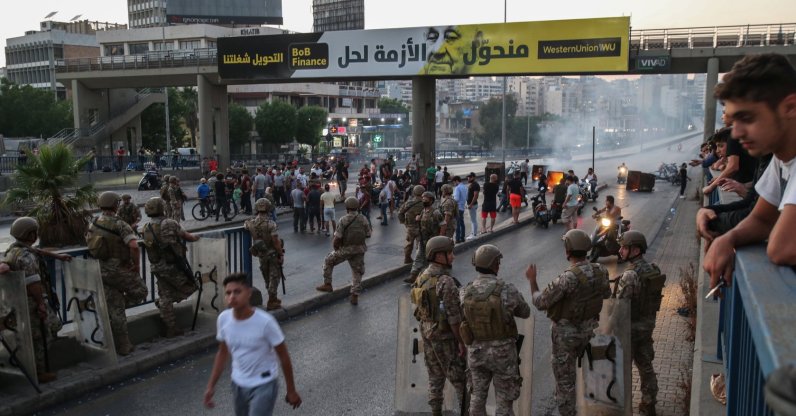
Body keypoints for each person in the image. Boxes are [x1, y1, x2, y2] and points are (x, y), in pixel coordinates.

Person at [704, 53, 796, 288]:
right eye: (734, 121)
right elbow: (762, 218)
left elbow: (781, 249)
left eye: (748, 118)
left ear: (790, 107)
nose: (736, 133)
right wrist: (729, 238)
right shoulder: (781, 158)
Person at [527, 229, 610, 416]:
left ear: (568, 251)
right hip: (590, 331)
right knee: (591, 376)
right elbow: (606, 294)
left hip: (566, 337)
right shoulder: (601, 271)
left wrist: (532, 281)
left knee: (565, 383)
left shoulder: (568, 278)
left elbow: (540, 302)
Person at [204, 273, 301, 415]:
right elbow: (223, 352)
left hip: (264, 384)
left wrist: (291, 390)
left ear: (248, 293)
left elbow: (284, 356)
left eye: (237, 291)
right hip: (238, 384)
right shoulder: (223, 319)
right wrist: (211, 386)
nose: (232, 297)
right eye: (228, 293)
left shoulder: (265, 322)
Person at [460, 244, 531, 415]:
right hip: (503, 354)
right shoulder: (507, 289)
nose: (499, 264)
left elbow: (460, 317)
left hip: (476, 352)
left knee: (477, 397)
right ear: (494, 264)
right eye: (498, 261)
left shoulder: (464, 291)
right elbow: (525, 312)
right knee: (504, 402)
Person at [0, 217, 71, 383]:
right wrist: (40, 304)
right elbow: (33, 283)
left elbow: (37, 251)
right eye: (35, 232)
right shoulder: (26, 256)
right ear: (30, 234)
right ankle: (39, 372)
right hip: (31, 302)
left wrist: (57, 256)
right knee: (41, 337)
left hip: (18, 302)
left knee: (49, 329)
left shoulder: (14, 250)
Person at [86, 192, 148, 356]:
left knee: (115, 306)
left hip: (101, 268)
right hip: (118, 268)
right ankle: (123, 343)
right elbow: (134, 245)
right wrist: (136, 266)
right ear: (115, 205)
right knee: (142, 291)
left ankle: (124, 344)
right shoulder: (120, 224)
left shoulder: (94, 222)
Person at [411, 236, 466, 415]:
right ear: (438, 256)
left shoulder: (422, 276)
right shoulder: (446, 282)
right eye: (449, 253)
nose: (453, 256)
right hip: (445, 337)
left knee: (435, 377)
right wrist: (461, 342)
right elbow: (454, 319)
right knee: (460, 381)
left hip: (427, 333)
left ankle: (436, 412)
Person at [613, 231, 666, 415]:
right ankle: (649, 403)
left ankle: (623, 408)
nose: (620, 250)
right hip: (647, 327)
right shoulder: (653, 269)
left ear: (635, 250)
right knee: (646, 367)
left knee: (623, 370)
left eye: (624, 247)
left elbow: (620, 307)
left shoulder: (630, 276)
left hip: (629, 331)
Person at [142, 197, 201, 337]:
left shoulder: (146, 227)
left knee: (165, 294)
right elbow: (187, 236)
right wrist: (198, 237)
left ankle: (171, 327)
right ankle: (163, 303)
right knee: (192, 286)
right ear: (162, 208)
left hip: (156, 267)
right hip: (172, 265)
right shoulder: (169, 222)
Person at [316, 197, 371, 305]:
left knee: (328, 260)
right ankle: (354, 296)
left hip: (346, 249)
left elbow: (337, 239)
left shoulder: (344, 220)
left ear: (347, 208)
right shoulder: (363, 219)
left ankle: (328, 284)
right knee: (357, 272)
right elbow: (368, 234)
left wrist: (336, 248)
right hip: (359, 249)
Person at [245, 199, 285, 311]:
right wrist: (280, 254)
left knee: (267, 277)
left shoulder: (250, 223)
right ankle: (272, 301)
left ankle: (273, 298)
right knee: (275, 277)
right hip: (272, 254)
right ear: (268, 208)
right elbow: (276, 241)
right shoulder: (270, 224)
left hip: (261, 255)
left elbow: (246, 226)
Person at [408, 192, 444, 285]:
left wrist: (440, 240)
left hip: (432, 240)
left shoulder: (435, 212)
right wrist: (418, 220)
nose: (423, 200)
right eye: (422, 198)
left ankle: (430, 278)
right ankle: (413, 275)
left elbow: (443, 225)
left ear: (431, 200)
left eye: (426, 198)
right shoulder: (423, 211)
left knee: (430, 259)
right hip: (422, 239)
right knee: (419, 257)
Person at [399, 185, 425, 266]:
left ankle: (407, 258)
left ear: (414, 192)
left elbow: (400, 213)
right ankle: (418, 261)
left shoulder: (409, 202)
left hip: (410, 227)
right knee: (420, 245)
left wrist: (404, 222)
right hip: (421, 227)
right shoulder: (425, 203)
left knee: (409, 243)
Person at [453, 176, 468, 243]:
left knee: (457, 224)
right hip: (462, 207)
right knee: (462, 223)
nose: (454, 184)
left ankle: (457, 239)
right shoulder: (465, 187)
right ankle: (462, 237)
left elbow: (456, 199)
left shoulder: (457, 188)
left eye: (454, 182)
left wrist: (452, 198)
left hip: (457, 208)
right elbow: (467, 197)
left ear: (456, 181)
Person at [466, 172, 480, 239]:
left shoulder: (475, 185)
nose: (468, 178)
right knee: (472, 220)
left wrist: (471, 204)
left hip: (473, 205)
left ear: (473, 177)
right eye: (468, 177)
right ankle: (473, 233)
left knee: (473, 220)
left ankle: (474, 234)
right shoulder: (472, 184)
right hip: (471, 204)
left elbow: (476, 195)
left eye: (470, 177)